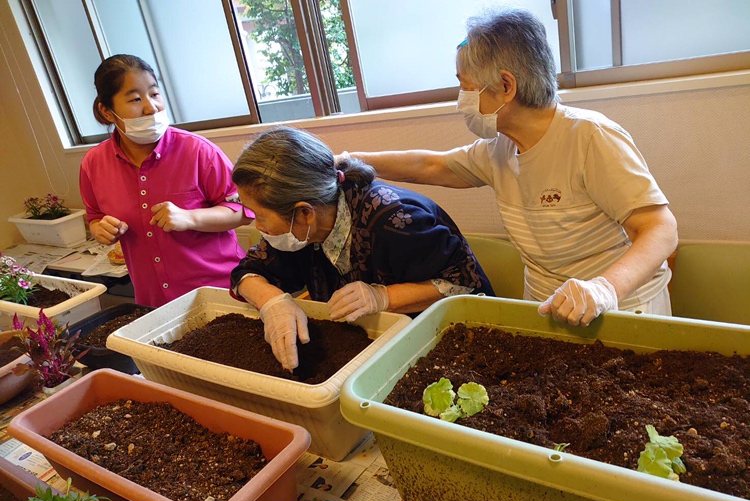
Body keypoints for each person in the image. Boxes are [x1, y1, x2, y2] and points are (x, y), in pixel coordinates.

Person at [339, 6, 678, 328]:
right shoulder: (499, 150)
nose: (461, 98)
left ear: (506, 85)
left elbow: (660, 229)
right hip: (547, 306)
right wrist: (350, 159)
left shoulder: (590, 137)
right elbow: (430, 165)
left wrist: (604, 289)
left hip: (622, 305)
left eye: (466, 86)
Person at [230, 126, 494, 371]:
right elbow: (247, 272)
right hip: (371, 345)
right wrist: (272, 303)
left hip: (441, 342)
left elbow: (464, 284)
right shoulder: (300, 230)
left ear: (304, 213)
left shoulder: (396, 220)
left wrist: (383, 297)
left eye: (260, 216)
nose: (257, 225)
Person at [80, 54, 253, 307]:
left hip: (221, 291)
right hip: (154, 301)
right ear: (107, 111)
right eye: (135, 99)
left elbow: (244, 210)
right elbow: (94, 216)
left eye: (155, 94)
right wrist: (100, 229)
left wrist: (190, 218)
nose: (151, 107)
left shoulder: (198, 151)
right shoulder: (93, 163)